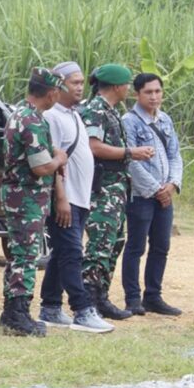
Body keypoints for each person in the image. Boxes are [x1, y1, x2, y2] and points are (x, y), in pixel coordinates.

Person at [37, 62, 114, 333]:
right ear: (59, 86)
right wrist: (61, 198)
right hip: (65, 199)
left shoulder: (75, 115)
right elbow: (54, 160)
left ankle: (50, 306)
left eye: (82, 82)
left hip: (79, 198)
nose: (80, 87)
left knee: (62, 254)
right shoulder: (52, 117)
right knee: (72, 253)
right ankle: (82, 309)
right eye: (74, 82)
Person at [81, 64, 154, 321]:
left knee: (114, 243)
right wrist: (130, 153)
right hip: (102, 190)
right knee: (99, 245)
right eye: (126, 85)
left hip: (116, 189)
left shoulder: (111, 111)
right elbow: (94, 146)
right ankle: (87, 301)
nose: (128, 89)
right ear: (116, 87)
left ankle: (101, 297)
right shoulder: (96, 110)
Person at [0, 67, 69, 336]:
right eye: (57, 92)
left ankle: (10, 311)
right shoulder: (32, 120)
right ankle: (18, 314)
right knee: (26, 256)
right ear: (51, 93)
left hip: (21, 195)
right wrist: (60, 159)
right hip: (26, 196)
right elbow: (41, 167)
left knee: (19, 253)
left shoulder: (21, 113)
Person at [121, 73, 184, 316]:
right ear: (137, 94)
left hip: (164, 194)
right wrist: (156, 189)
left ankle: (153, 296)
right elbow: (131, 161)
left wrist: (172, 184)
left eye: (158, 91)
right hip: (141, 195)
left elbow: (175, 154)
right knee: (136, 246)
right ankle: (133, 298)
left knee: (161, 246)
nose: (154, 96)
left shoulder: (165, 120)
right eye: (149, 92)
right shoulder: (130, 121)